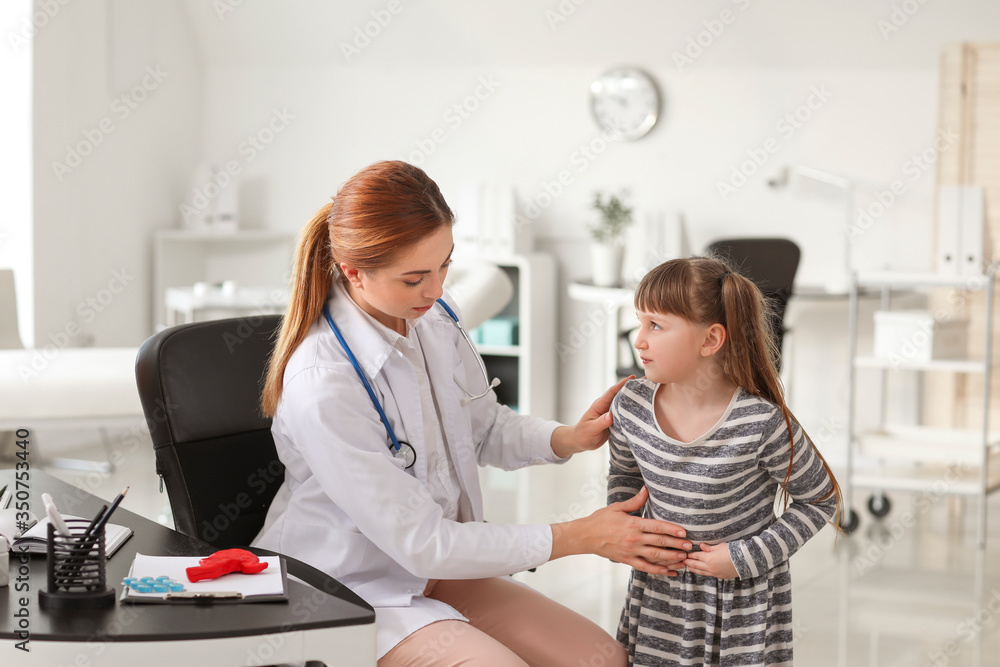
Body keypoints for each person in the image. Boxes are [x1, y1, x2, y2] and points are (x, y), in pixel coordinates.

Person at [253, 160, 691, 667]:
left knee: (603, 659)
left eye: (444, 266)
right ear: (354, 272)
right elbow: (421, 541)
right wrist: (578, 537)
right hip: (348, 587)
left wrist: (566, 438)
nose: (436, 290)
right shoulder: (323, 382)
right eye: (415, 278)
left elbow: (482, 427)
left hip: (434, 570)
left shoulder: (431, 319)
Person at [607, 256, 842, 666]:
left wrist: (744, 558)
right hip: (661, 594)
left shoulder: (761, 423)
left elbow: (820, 499)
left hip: (741, 605)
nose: (639, 340)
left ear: (710, 340)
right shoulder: (630, 405)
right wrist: (625, 534)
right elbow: (624, 474)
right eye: (639, 322)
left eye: (655, 326)